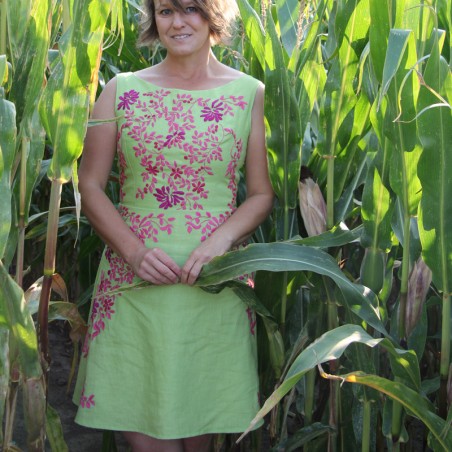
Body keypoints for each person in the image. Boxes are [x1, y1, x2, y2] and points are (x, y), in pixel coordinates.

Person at [73, 0, 274, 450]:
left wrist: (222, 241)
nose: (178, 21)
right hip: (133, 279)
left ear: (214, 16)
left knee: (202, 416)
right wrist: (134, 253)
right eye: (165, 10)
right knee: (138, 412)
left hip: (214, 282)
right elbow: (90, 185)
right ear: (152, 20)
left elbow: (261, 193)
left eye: (191, 9)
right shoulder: (121, 88)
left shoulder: (249, 92)